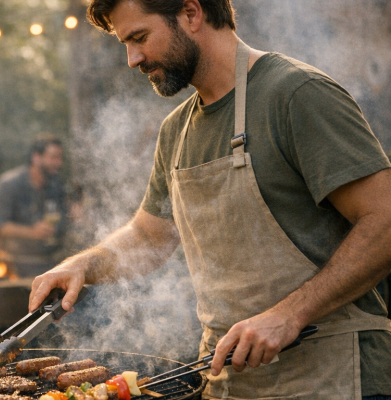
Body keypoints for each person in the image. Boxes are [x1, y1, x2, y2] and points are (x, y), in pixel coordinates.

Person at [29, 0, 391, 398]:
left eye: (140, 37)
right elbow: (149, 237)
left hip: (332, 379)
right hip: (226, 384)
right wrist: (82, 265)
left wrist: (290, 315)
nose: (133, 59)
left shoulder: (296, 93)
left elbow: (385, 220)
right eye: (126, 44)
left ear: (191, 13)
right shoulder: (176, 131)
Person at [0, 135, 69, 277]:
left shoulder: (58, 185)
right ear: (36, 157)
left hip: (53, 263)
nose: (58, 163)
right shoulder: (7, 186)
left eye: (60, 158)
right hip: (15, 267)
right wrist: (31, 232)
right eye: (53, 158)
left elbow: (65, 217)